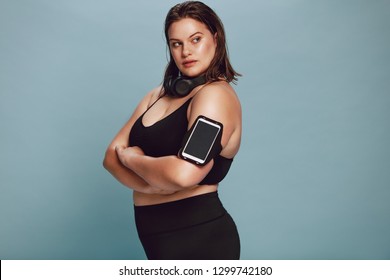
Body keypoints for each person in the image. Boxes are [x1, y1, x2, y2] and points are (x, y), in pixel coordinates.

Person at [103, 1, 242, 260]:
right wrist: (155, 187)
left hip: (200, 240)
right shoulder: (157, 95)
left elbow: (183, 174)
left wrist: (133, 159)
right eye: (176, 43)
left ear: (216, 37)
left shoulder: (216, 97)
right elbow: (110, 157)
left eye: (195, 39)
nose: (186, 51)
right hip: (157, 240)